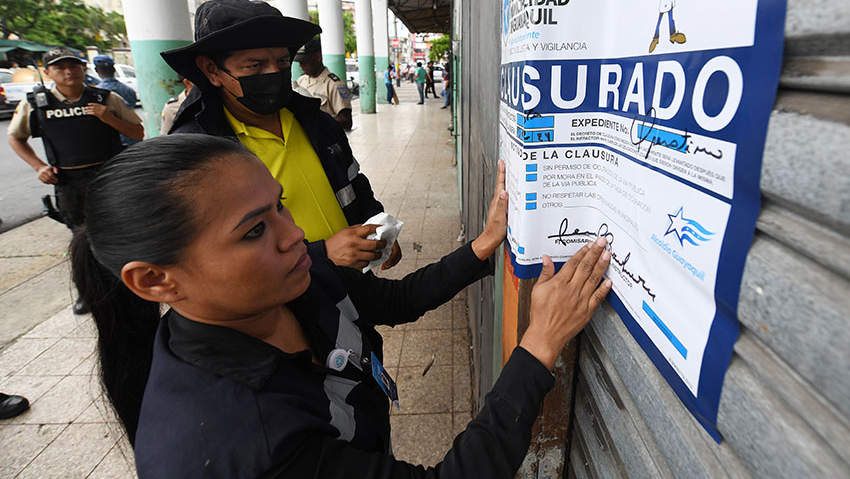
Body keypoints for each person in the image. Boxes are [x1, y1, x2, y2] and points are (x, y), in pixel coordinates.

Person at [70, 134, 612, 478]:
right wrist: (540, 343)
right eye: (255, 230)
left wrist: (485, 244)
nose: (296, 233)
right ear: (155, 281)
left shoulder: (292, 280)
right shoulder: (248, 444)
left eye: (279, 207)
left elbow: (397, 298)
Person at [161, 0, 400, 271]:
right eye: (255, 66)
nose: (274, 73)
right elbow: (212, 257)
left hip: (352, 283)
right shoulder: (197, 154)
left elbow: (353, 183)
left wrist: (376, 223)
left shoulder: (317, 122)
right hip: (283, 304)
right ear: (212, 70)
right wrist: (321, 255)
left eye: (283, 61)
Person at [7, 47, 144, 314]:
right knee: (80, 240)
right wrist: (38, 167)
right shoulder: (37, 103)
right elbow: (16, 138)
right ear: (48, 73)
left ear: (83, 68)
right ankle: (88, 294)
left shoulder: (105, 98)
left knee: (118, 233)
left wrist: (108, 118)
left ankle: (128, 288)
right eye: (60, 67)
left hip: (107, 175)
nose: (69, 72)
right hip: (69, 181)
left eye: (74, 66)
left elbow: (137, 132)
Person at [293, 37, 353, 130]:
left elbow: (346, 120)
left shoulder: (334, 85)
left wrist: (317, 122)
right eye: (300, 62)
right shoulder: (301, 81)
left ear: (318, 57)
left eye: (305, 61)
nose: (301, 65)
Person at [94, 54, 140, 147]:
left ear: (96, 70)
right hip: (133, 139)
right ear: (114, 69)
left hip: (113, 142)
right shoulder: (129, 90)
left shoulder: (96, 94)